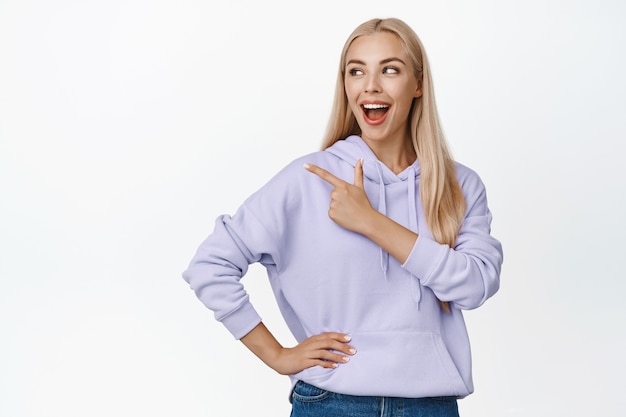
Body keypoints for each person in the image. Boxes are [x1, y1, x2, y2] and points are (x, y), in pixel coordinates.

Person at [182, 17, 503, 417]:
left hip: (431, 406)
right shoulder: (310, 180)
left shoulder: (458, 185)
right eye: (356, 71)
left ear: (418, 84)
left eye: (390, 69)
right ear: (346, 85)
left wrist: (371, 222)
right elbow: (209, 265)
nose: (370, 85)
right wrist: (278, 355)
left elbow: (475, 286)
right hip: (332, 404)